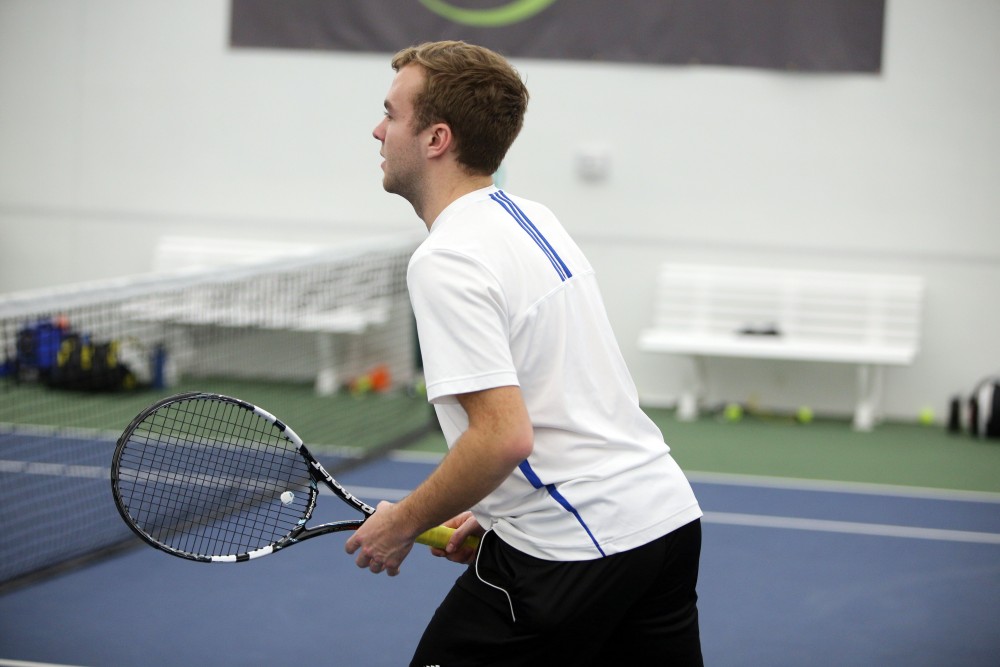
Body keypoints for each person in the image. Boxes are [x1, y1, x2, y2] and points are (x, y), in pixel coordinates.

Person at [344, 40, 704, 666]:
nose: (377, 130)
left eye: (391, 114)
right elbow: (564, 391)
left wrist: (401, 521)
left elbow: (503, 437)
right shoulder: (529, 218)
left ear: (436, 139)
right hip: (664, 522)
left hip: (576, 551)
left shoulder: (448, 259)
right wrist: (495, 511)